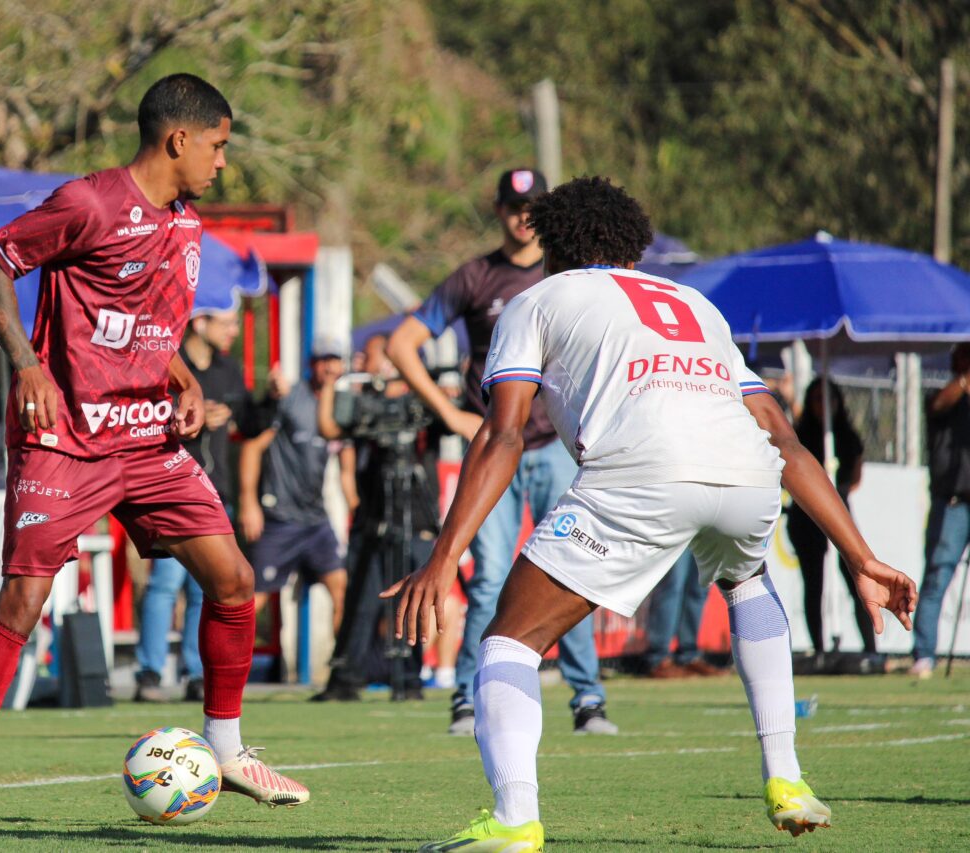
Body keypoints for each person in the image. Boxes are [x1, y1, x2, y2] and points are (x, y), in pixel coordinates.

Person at [386, 176, 917, 851]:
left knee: (509, 641)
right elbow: (784, 437)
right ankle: (787, 777)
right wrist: (861, 555)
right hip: (746, 472)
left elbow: (503, 434)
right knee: (748, 581)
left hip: (641, 472)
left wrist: (441, 557)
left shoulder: (536, 298)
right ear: (633, 250)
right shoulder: (694, 302)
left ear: (551, 245)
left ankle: (515, 817)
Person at [0, 74, 309, 830]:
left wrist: (186, 378)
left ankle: (226, 748)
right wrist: (27, 365)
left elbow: (144, 322)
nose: (222, 163)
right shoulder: (89, 203)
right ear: (178, 139)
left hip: (145, 434)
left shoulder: (187, 223)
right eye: (218, 146)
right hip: (64, 437)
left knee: (233, 578)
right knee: (22, 604)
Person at [386, 169, 614, 736]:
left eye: (532, 206)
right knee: (488, 577)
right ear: (498, 210)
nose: (522, 216)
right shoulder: (475, 276)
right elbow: (400, 343)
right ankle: (468, 698)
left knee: (575, 571)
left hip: (558, 446)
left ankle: (588, 699)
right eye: (513, 206)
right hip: (495, 449)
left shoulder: (564, 273)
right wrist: (448, 413)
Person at [134, 308, 261, 703]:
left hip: (217, 491)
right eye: (228, 322)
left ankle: (194, 673)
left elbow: (252, 425)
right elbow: (144, 422)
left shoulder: (228, 370)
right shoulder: (167, 363)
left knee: (207, 587)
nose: (234, 331)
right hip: (173, 490)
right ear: (201, 322)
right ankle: (150, 673)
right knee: (165, 585)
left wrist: (268, 403)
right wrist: (195, 419)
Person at [311, 335, 444, 702]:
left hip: (416, 518)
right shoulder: (367, 402)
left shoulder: (421, 403)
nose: (360, 361)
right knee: (363, 599)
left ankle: (410, 677)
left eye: (366, 355)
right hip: (374, 518)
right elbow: (330, 428)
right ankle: (347, 678)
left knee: (412, 602)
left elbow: (452, 417)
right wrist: (328, 388)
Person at [238, 341, 355, 635]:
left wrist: (355, 506)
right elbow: (252, 448)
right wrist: (248, 502)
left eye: (336, 360)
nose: (330, 367)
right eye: (324, 360)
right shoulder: (291, 398)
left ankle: (339, 671)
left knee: (343, 589)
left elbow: (347, 469)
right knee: (253, 599)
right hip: (279, 519)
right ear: (312, 364)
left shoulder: (343, 406)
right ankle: (222, 670)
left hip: (316, 520)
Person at [786, 378, 877, 659]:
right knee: (814, 582)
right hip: (805, 516)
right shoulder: (798, 439)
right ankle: (820, 648)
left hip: (839, 511)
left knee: (856, 575)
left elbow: (856, 477)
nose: (824, 406)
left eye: (830, 400)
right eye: (817, 400)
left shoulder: (847, 437)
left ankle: (871, 647)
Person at [910, 342, 970, 678]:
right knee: (938, 574)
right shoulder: (943, 395)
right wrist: (964, 381)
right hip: (954, 502)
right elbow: (936, 406)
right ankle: (924, 654)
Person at [642, 551, 725, 677]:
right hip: (677, 532)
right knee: (671, 586)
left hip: (707, 531)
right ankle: (658, 659)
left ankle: (688, 657)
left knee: (699, 587)